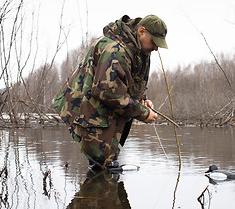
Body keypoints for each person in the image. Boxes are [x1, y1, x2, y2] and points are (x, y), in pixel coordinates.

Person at [52, 15, 168, 171]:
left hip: (104, 112)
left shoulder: (140, 51)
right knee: (103, 167)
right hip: (84, 109)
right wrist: (142, 113)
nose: (156, 48)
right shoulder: (116, 50)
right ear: (141, 31)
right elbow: (108, 93)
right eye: (154, 42)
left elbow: (131, 81)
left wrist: (142, 100)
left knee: (106, 166)